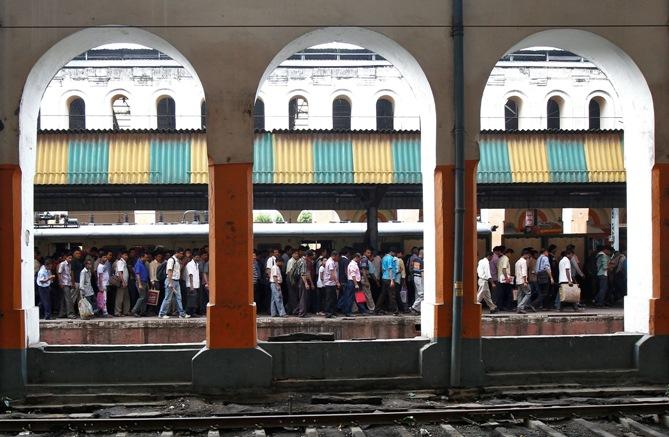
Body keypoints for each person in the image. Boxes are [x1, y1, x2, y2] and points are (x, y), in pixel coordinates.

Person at [158, 248, 189, 319]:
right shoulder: (171, 260)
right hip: (171, 280)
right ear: (177, 253)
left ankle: (181, 314)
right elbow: (169, 271)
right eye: (181, 253)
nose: (182, 255)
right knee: (168, 298)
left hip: (176, 281)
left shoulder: (177, 261)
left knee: (179, 298)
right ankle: (162, 313)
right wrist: (170, 283)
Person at [375, 248, 399, 315]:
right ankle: (395, 310)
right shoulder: (390, 258)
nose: (394, 255)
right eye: (394, 253)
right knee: (392, 295)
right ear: (391, 252)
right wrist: (392, 280)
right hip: (389, 278)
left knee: (382, 295)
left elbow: (382, 269)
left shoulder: (384, 258)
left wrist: (383, 276)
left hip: (384, 278)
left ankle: (376, 309)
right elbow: (390, 269)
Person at [296, 250, 315, 317]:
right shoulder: (303, 262)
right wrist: (306, 283)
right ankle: (302, 313)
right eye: (310, 257)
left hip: (302, 280)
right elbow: (303, 274)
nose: (310, 259)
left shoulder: (301, 260)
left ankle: (301, 311)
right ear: (307, 256)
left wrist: (311, 283)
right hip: (302, 280)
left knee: (303, 297)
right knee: (303, 297)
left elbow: (308, 273)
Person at [57, 253, 76, 319]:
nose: (70, 259)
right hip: (64, 284)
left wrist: (72, 283)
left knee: (64, 299)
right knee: (69, 299)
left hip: (68, 283)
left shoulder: (69, 265)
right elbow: (59, 273)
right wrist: (60, 283)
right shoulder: (62, 264)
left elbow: (69, 274)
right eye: (69, 258)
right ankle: (70, 314)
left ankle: (62, 313)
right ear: (66, 258)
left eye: (71, 258)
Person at [131, 252, 150, 317]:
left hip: (145, 282)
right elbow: (137, 274)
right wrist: (139, 284)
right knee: (142, 297)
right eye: (146, 257)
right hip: (141, 282)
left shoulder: (143, 263)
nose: (147, 258)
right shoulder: (138, 264)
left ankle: (143, 312)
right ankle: (134, 311)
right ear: (142, 257)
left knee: (145, 298)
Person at [322, 251, 340, 318]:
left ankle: (332, 312)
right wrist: (337, 282)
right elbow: (333, 274)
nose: (338, 258)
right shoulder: (330, 262)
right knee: (329, 299)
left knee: (333, 298)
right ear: (334, 256)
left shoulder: (331, 261)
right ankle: (328, 313)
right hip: (329, 283)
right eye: (337, 256)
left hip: (332, 283)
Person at [114, 251, 131, 317]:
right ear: (121, 255)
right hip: (121, 282)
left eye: (127, 255)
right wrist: (123, 281)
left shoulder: (124, 262)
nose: (126, 256)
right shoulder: (120, 262)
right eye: (125, 255)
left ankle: (126, 311)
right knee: (120, 298)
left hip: (125, 282)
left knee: (126, 297)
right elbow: (120, 272)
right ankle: (117, 312)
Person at [96, 251, 112, 317]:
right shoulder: (100, 266)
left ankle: (99, 312)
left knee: (103, 299)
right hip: (103, 285)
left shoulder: (104, 266)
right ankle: (105, 313)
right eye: (104, 257)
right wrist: (101, 287)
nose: (106, 259)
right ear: (100, 258)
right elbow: (100, 277)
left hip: (105, 284)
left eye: (106, 257)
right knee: (104, 299)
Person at [360, 248, 376, 313]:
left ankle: (361, 309)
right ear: (364, 253)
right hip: (364, 278)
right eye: (368, 253)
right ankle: (372, 308)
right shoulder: (364, 259)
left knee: (361, 294)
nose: (369, 254)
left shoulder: (361, 259)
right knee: (368, 294)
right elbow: (364, 271)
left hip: (361, 278)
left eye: (370, 253)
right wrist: (367, 281)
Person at [185, 251, 201, 316]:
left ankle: (192, 313)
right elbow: (190, 275)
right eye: (196, 257)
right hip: (191, 285)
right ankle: (189, 313)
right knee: (191, 300)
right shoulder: (190, 264)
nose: (198, 258)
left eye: (198, 257)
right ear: (193, 257)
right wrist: (191, 286)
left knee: (194, 299)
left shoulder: (197, 264)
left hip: (196, 285)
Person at [410, 248, 424, 314]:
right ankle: (414, 307)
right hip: (418, 278)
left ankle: (417, 309)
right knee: (422, 295)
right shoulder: (417, 260)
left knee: (418, 294)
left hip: (418, 278)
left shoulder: (419, 260)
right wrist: (423, 270)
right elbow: (416, 270)